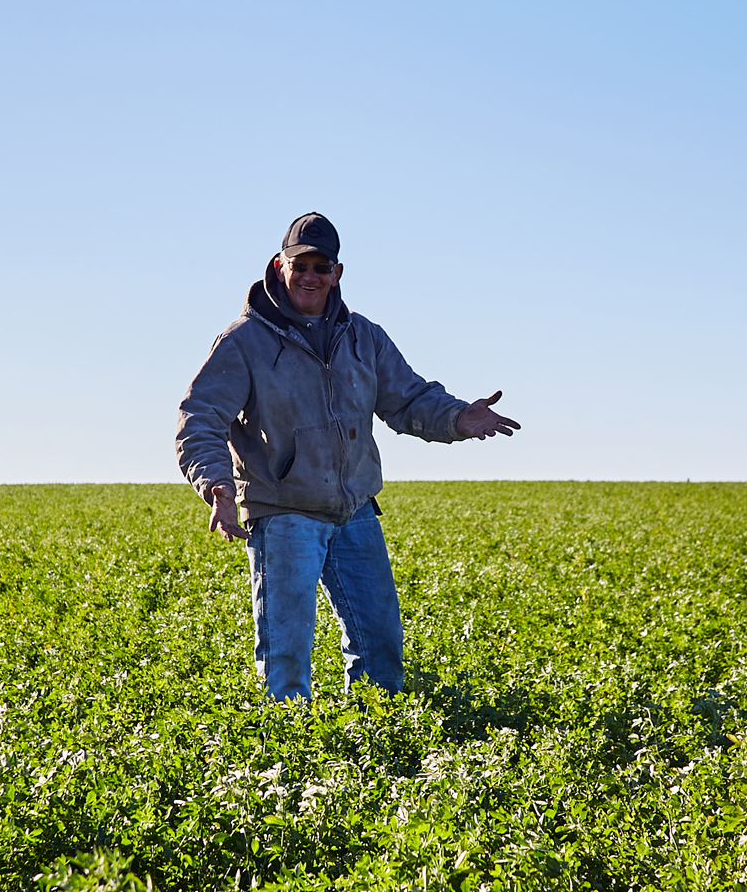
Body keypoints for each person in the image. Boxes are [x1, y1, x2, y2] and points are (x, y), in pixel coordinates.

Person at [174, 212, 521, 700]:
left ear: (338, 272)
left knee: (380, 645)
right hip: (283, 513)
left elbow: (408, 399)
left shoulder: (363, 337)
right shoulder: (243, 342)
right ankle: (289, 761)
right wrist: (217, 485)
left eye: (322, 266)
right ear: (279, 266)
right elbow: (201, 417)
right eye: (301, 265)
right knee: (286, 658)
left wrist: (459, 418)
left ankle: (372, 750)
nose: (311, 276)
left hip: (354, 512)